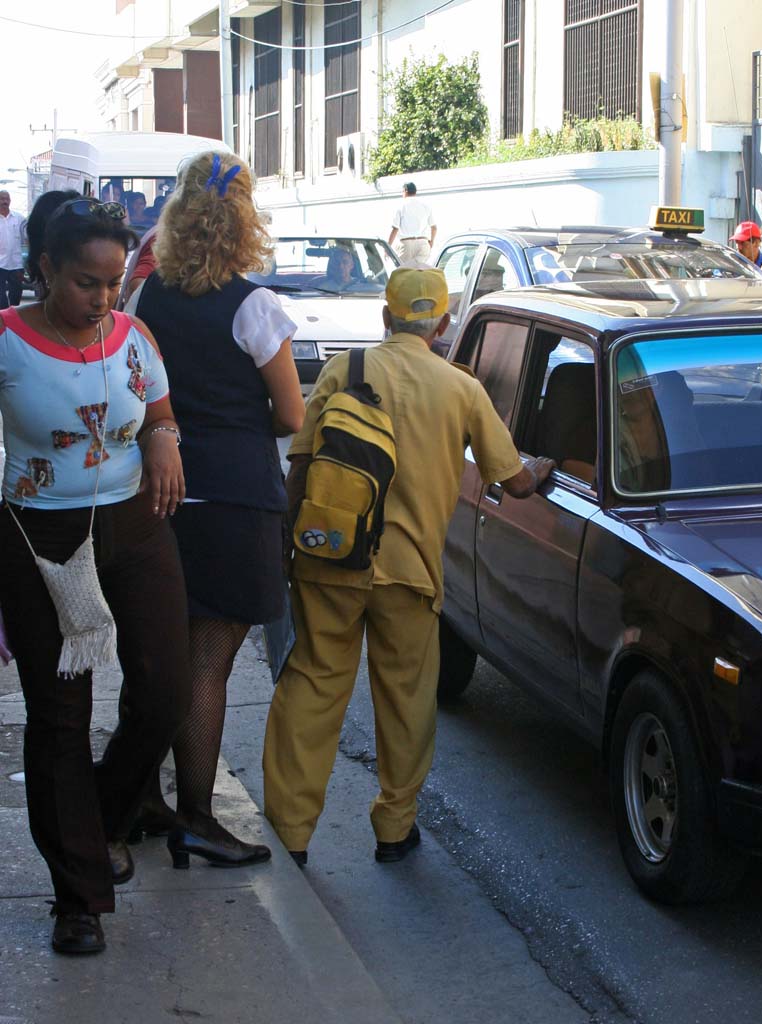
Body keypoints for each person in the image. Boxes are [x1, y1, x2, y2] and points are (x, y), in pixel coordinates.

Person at [263, 267, 555, 867]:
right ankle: (395, 828)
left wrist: (289, 544)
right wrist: (541, 469)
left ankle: (290, 834)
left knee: (314, 687)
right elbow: (515, 481)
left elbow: (301, 463)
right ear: (444, 324)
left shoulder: (348, 369)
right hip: (411, 571)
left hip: (332, 558)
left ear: (386, 317)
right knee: (406, 698)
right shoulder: (461, 388)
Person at [0, 195, 192, 955]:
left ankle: (104, 818)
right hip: (36, 536)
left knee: (166, 690)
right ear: (45, 268)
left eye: (113, 283)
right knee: (58, 717)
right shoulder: (7, 344)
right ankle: (78, 896)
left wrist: (166, 437)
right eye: (86, 282)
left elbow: (156, 410)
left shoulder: (133, 336)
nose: (103, 299)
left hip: (135, 524)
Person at [131, 151, 304, 868]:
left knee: (158, 656)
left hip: (160, 498)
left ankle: (141, 798)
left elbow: (138, 394)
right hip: (234, 502)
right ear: (243, 220)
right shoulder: (254, 307)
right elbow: (291, 413)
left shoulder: (148, 303)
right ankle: (198, 816)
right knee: (208, 665)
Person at [388, 182, 436, 266]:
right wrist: (431, 241)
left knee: (403, 274)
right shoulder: (426, 205)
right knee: (420, 273)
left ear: (405, 191)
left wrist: (387, 247)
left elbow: (395, 229)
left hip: (406, 245)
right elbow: (434, 227)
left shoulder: (400, 205)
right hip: (423, 243)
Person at [0, 190, 27, 309]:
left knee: (16, 292)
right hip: (0, 263)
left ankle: (13, 313)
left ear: (10, 201)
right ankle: (4, 315)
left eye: (7, 199)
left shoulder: (19, 218)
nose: (4, 201)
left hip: (16, 264)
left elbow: (27, 239)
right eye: (2, 199)